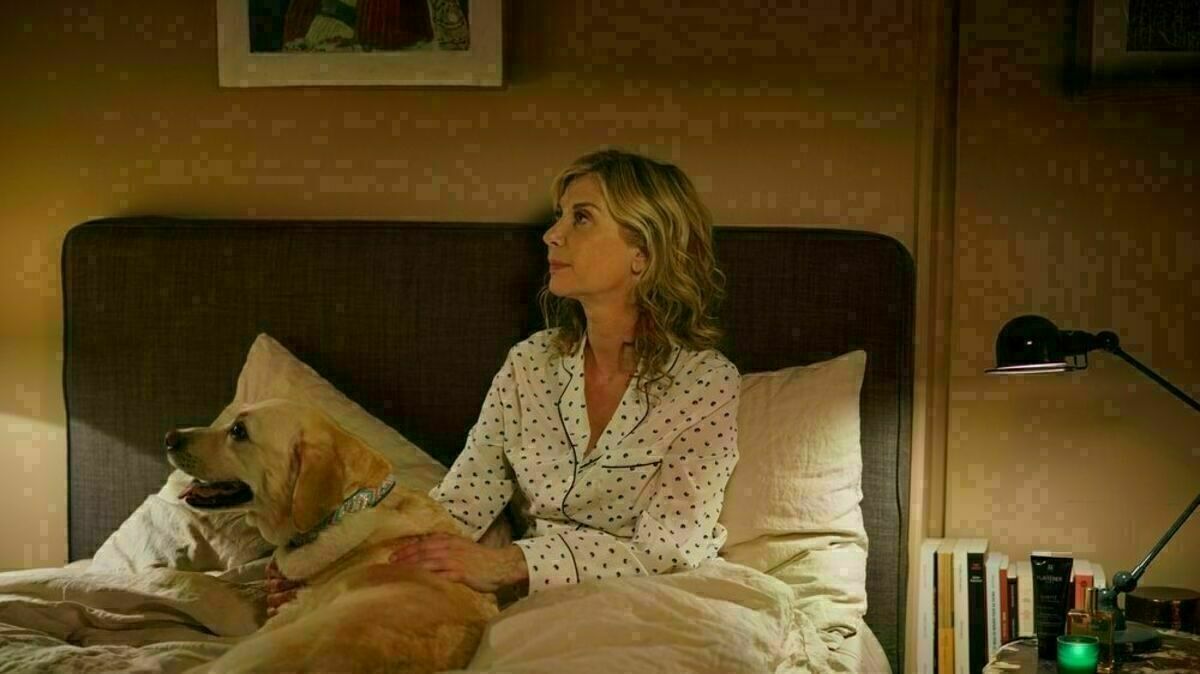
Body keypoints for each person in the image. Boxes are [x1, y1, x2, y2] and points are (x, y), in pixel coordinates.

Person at [266, 149, 740, 611]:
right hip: (540, 605)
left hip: (652, 603)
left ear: (643, 252)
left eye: (581, 218)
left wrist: (508, 564)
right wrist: (338, 572)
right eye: (559, 216)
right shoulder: (529, 366)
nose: (551, 235)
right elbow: (460, 506)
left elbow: (670, 548)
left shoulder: (704, 383)